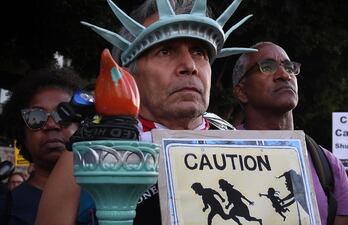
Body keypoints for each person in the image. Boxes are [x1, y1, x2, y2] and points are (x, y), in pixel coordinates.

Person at [36, 0, 254, 225]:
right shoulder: (91, 149)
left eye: (199, 52)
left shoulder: (238, 142)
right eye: (165, 51)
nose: (190, 65)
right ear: (129, 74)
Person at [231, 41, 348, 225]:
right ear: (241, 91)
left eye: (289, 67)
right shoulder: (218, 155)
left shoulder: (328, 164)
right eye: (267, 67)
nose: (284, 75)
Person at [1, 66, 97, 225]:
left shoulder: (109, 192)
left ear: (82, 123)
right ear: (22, 132)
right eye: (35, 117)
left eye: (64, 113)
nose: (52, 124)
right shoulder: (7, 208)